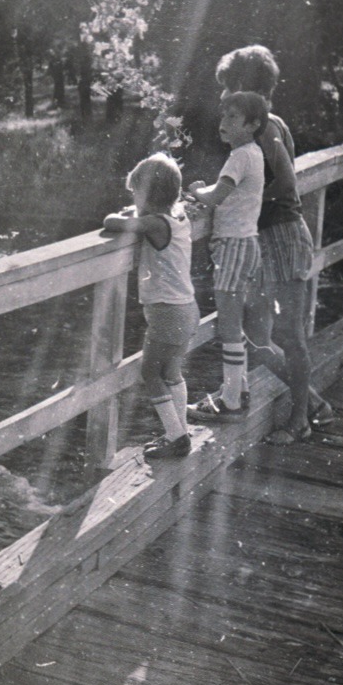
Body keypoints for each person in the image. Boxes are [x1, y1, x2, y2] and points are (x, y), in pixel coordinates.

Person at [213, 45, 333, 444]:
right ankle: (311, 401)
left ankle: (300, 419)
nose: (224, 96)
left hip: (280, 235)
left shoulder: (265, 126)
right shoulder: (262, 124)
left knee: (288, 334)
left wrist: (242, 200)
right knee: (254, 334)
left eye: (229, 86)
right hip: (260, 237)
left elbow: (285, 182)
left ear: (244, 84)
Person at [101, 153, 197, 460]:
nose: (133, 197)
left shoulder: (154, 224)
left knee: (150, 372)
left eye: (135, 192)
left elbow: (114, 223)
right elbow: (144, 217)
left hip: (167, 312)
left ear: (149, 194)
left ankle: (176, 436)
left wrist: (122, 215)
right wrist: (137, 209)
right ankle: (179, 430)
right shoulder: (178, 217)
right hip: (187, 308)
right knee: (172, 371)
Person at [183, 90, 268, 421]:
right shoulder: (254, 153)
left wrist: (195, 191)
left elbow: (216, 197)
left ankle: (231, 401)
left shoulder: (239, 157)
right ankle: (237, 390)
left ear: (252, 124)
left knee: (230, 325)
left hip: (233, 245)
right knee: (234, 322)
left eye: (233, 117)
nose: (224, 122)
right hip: (245, 243)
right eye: (224, 116)